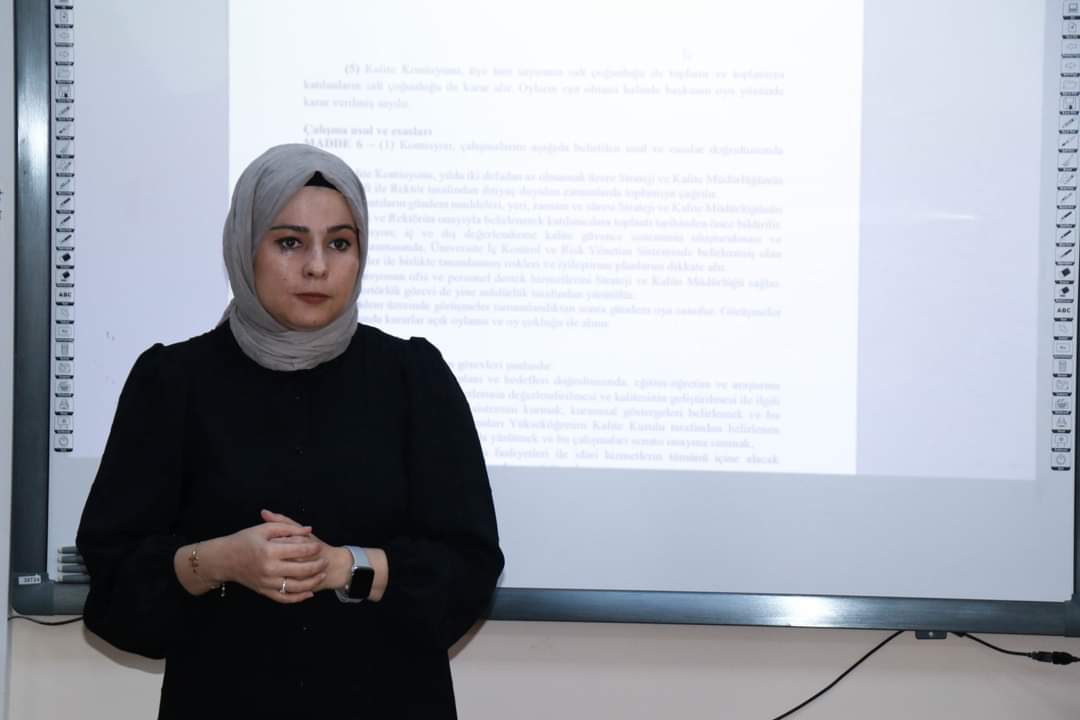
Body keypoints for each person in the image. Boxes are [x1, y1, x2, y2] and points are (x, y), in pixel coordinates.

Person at [76, 144, 504, 719]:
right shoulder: (172, 382)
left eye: (340, 243)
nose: (318, 267)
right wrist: (218, 561)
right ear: (245, 247)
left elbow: (471, 566)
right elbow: (113, 586)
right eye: (289, 242)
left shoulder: (413, 378)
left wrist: (347, 566)